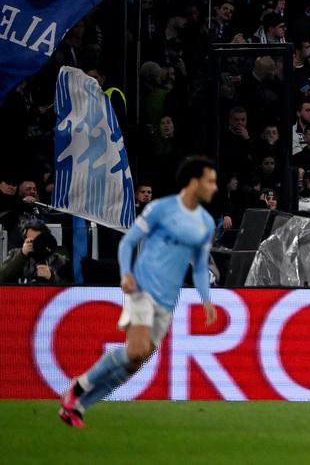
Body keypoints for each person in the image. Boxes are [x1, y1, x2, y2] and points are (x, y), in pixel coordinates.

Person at [58, 157, 218, 428]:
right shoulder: (160, 209)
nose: (214, 187)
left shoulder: (205, 222)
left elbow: (201, 267)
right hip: (142, 288)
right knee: (136, 350)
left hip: (168, 299)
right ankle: (79, 385)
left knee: (134, 363)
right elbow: (128, 241)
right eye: (210, 181)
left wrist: (206, 299)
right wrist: (126, 274)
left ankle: (78, 406)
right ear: (194, 182)